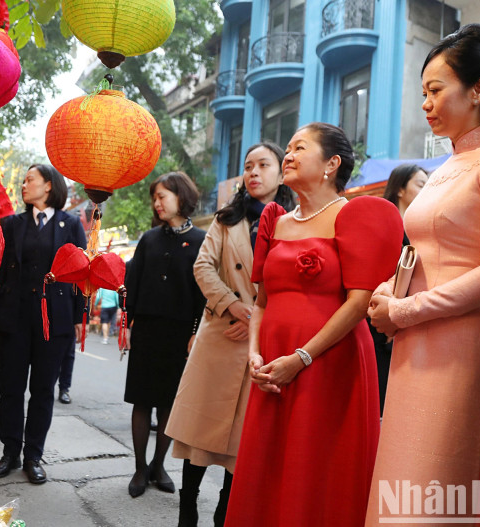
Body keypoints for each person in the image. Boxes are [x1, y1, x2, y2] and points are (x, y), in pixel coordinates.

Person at [367, 24, 480, 524]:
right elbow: (419, 252)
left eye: (436, 90)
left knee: (437, 490)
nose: (426, 103)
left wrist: (406, 309)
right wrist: (389, 293)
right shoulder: (444, 166)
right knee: (402, 480)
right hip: (415, 336)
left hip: (461, 340)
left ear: (479, 89)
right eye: (424, 92)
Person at [224, 123, 403, 527]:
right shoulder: (274, 220)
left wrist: (301, 357)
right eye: (287, 148)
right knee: (271, 464)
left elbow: (359, 302)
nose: (288, 155)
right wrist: (255, 354)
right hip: (272, 366)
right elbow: (261, 302)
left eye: (298, 148)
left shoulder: (356, 214)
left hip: (329, 362)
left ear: (331, 164)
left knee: (319, 464)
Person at [166, 142, 295, 527]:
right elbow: (203, 268)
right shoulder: (226, 219)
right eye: (248, 166)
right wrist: (232, 306)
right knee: (199, 433)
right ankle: (187, 507)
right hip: (220, 333)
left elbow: (290, 287)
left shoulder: (294, 220)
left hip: (260, 342)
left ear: (280, 171)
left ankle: (226, 511)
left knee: (241, 440)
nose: (254, 173)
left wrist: (258, 318)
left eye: (263, 165)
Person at [0, 164, 87, 484]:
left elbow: (81, 276)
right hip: (14, 318)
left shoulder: (71, 224)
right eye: (24, 180)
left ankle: (34, 454)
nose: (24, 185)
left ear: (48, 186)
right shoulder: (11, 225)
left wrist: (77, 318)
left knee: (43, 389)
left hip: (53, 321)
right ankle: (10, 452)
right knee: (11, 388)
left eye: (30, 179)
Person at [124, 172, 206, 498]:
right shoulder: (148, 239)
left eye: (163, 196)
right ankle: (140, 468)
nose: (157, 203)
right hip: (146, 330)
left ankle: (159, 465)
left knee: (169, 402)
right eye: (154, 198)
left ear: (181, 196)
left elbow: (204, 292)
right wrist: (128, 324)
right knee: (142, 400)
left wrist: (195, 332)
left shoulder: (202, 240)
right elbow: (133, 283)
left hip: (180, 333)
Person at [371, 164, 428, 415]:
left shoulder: (423, 231)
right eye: (420, 183)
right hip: (378, 323)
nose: (427, 190)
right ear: (401, 189)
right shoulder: (381, 225)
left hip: (410, 322)